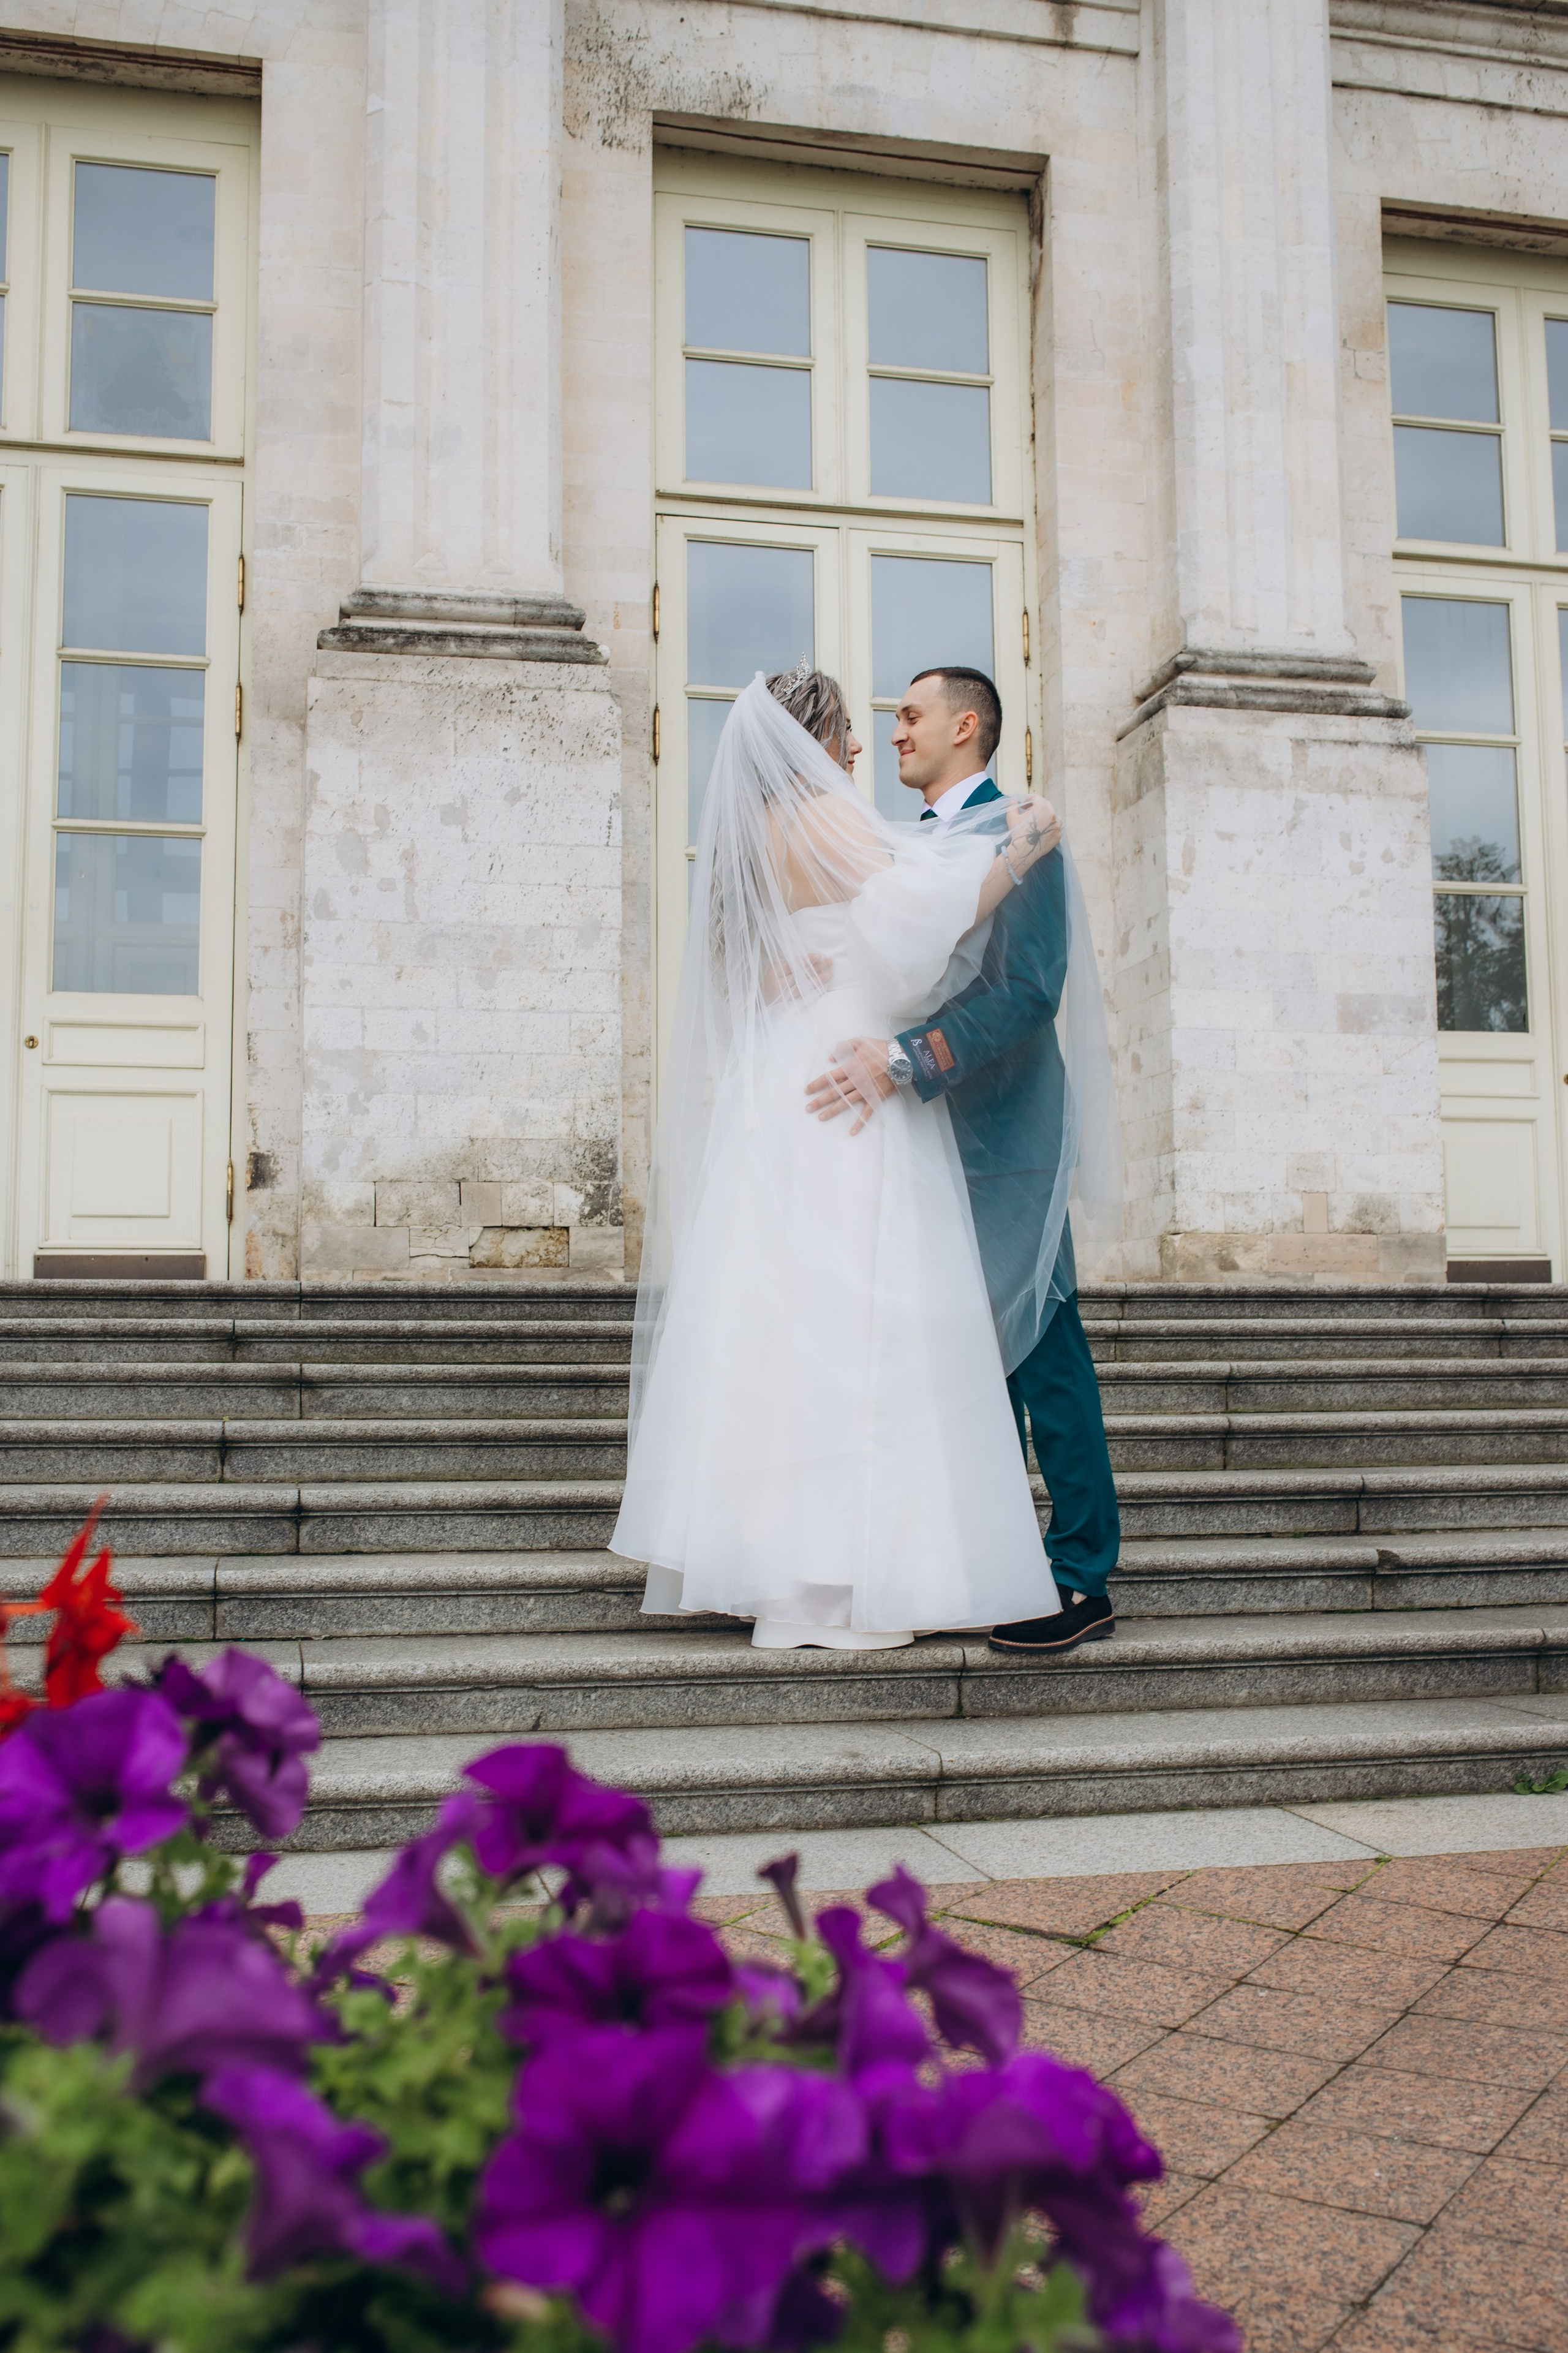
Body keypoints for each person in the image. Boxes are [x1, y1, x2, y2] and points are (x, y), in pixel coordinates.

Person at [610, 665, 1070, 1649]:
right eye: (848, 732)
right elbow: (915, 930)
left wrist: (844, 957)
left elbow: (827, 945)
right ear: (808, 738)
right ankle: (848, 1574)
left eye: (894, 720)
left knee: (785, 1318)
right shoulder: (827, 818)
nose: (864, 746)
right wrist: (1021, 849)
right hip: (851, 1076)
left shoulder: (755, 837)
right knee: (861, 1315)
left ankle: (778, 1560)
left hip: (787, 1077)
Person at [802, 667, 1124, 1657]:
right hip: (920, 1146)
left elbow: (1029, 988)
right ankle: (965, 1560)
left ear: (966, 725)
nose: (894, 733)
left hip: (1003, 1138)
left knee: (1042, 1347)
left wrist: (906, 1059)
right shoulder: (910, 839)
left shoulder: (1022, 831)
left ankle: (1081, 1575)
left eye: (910, 715)